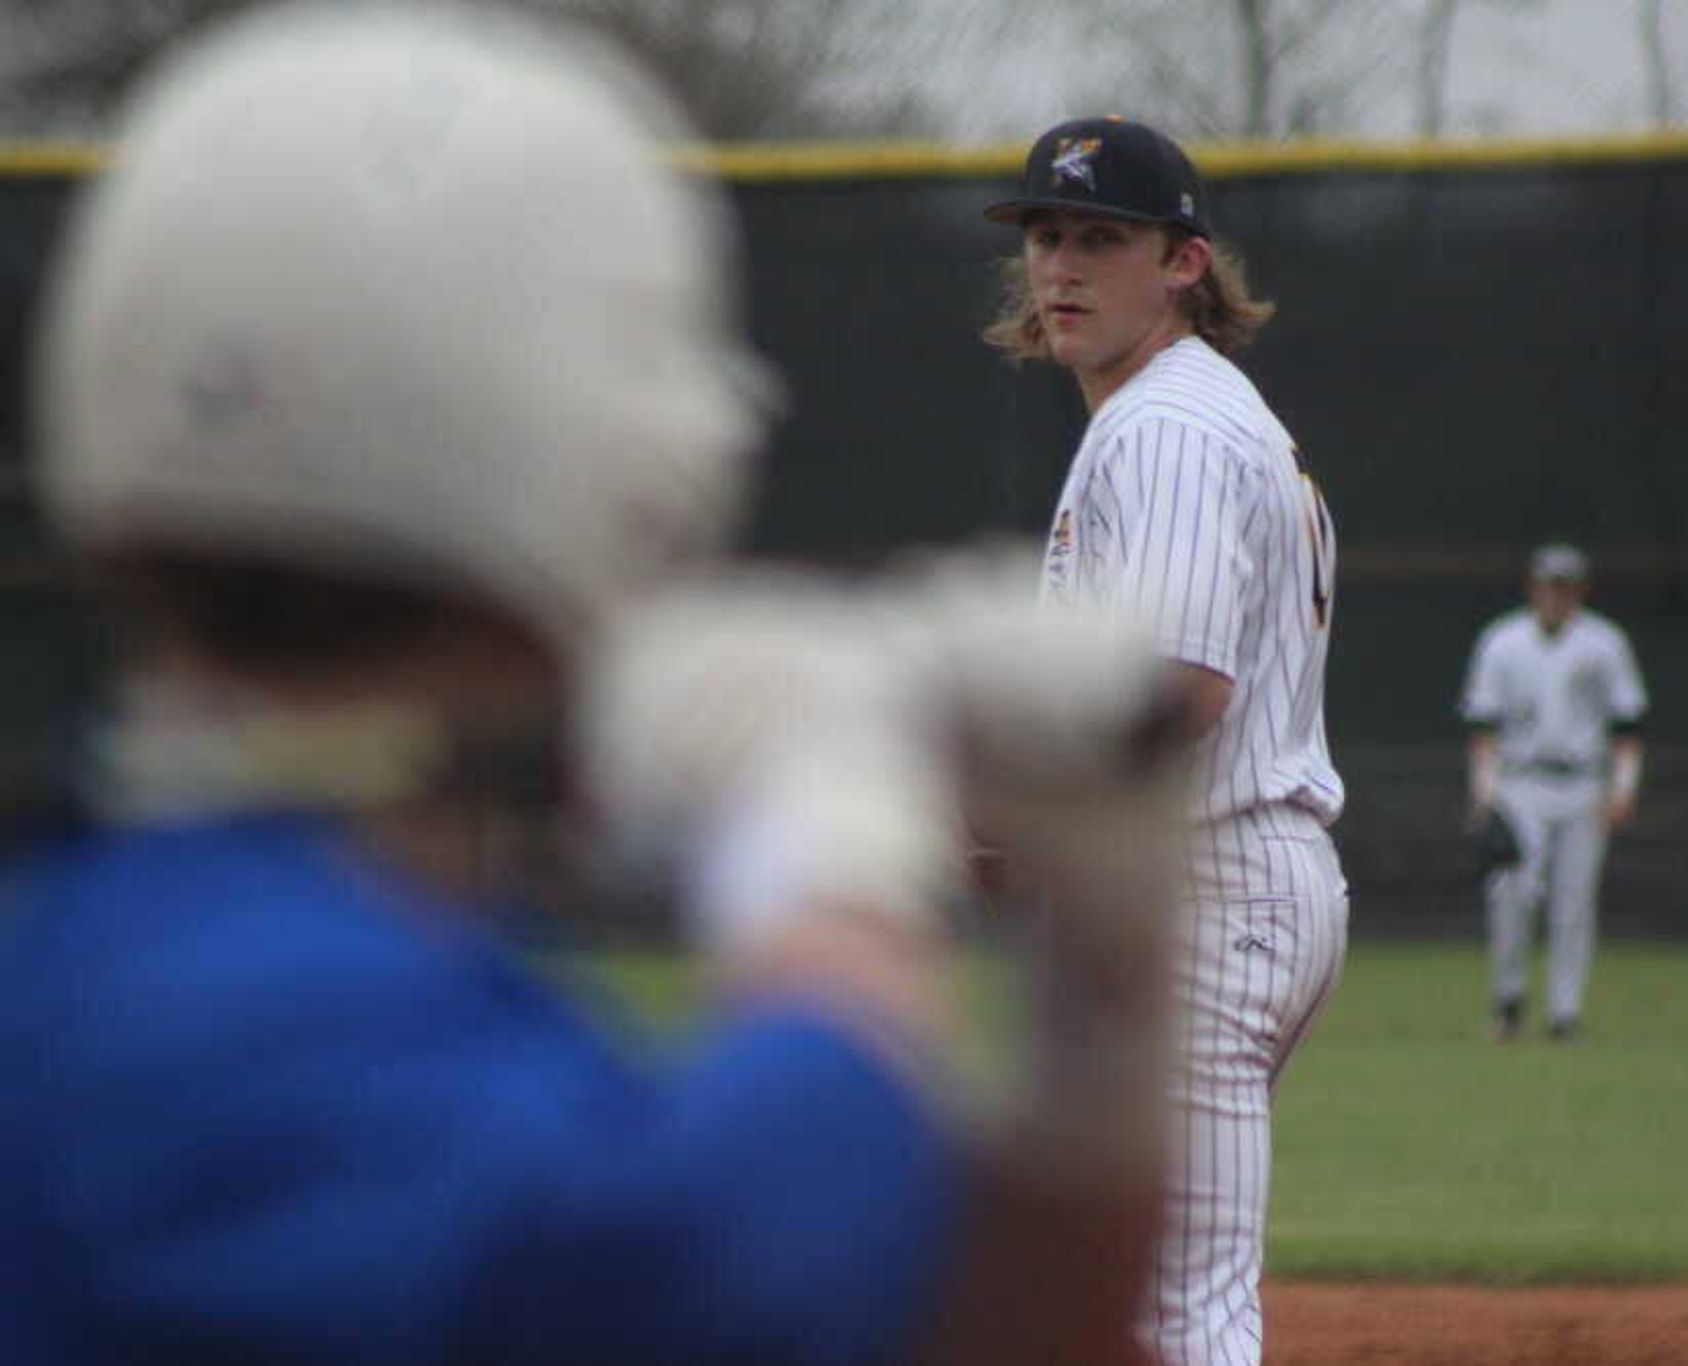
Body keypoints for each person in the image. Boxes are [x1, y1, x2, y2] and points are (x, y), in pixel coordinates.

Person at [1, 9, 1185, 1362]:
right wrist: (830, 845)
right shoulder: (252, 1014)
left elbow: (970, 1330)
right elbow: (728, 1259)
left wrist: (1107, 983)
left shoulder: (184, 940)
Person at [982, 115, 1351, 1366]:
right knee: (1135, 1290)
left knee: (1175, 1303)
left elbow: (1178, 684)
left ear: (1183, 261)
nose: (1062, 266)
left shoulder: (1169, 427)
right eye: (1045, 236)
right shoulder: (1175, 413)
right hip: (1225, 880)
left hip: (1211, 884)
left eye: (1102, 237)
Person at [1459, 543, 1648, 1043]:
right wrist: (1485, 794)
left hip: (1583, 783)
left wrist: (1624, 788)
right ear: (1533, 587)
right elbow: (1484, 727)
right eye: (1549, 585)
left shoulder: (1604, 644)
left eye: (1566, 587)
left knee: (1574, 901)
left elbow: (1627, 725)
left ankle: (1565, 1012)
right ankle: (1509, 1000)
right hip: (1520, 784)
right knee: (1512, 894)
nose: (1557, 596)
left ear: (1579, 591)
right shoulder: (1503, 642)